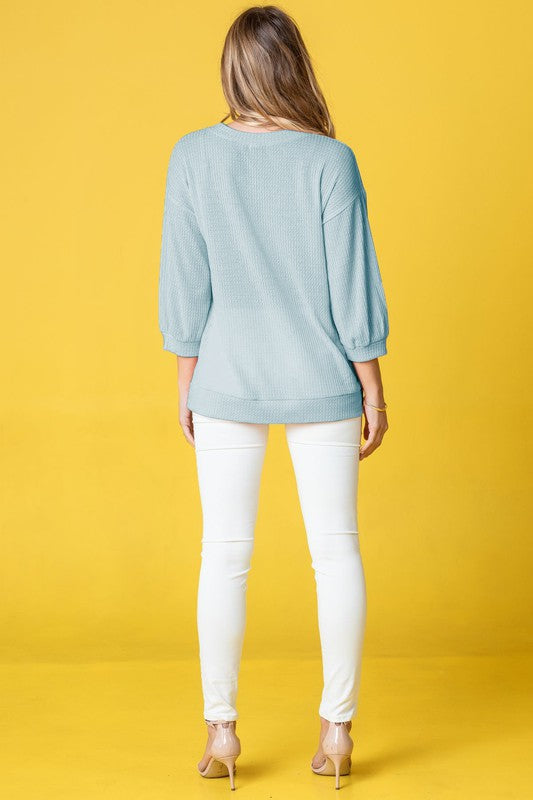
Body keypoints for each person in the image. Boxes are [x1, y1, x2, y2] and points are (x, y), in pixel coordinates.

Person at [158, 4, 389, 791]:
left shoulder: (192, 157)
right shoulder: (329, 161)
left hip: (224, 378)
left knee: (223, 557)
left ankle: (220, 733)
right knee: (336, 552)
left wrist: (187, 383)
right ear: (294, 67)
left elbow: (185, 284)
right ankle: (337, 728)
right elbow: (350, 284)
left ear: (232, 69)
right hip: (322, 378)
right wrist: (372, 386)